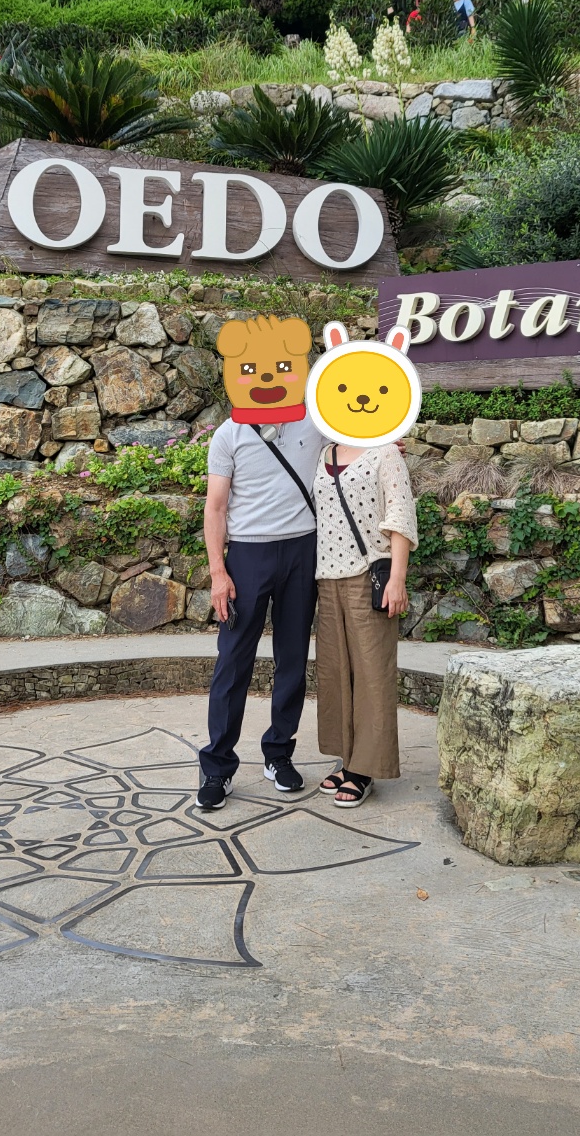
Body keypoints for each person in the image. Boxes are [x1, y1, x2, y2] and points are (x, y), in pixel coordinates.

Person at [196, 315, 324, 811]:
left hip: (302, 550)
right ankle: (217, 766)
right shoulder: (228, 435)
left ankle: (278, 754)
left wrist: (385, 439)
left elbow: (357, 436)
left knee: (293, 658)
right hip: (247, 554)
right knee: (233, 661)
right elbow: (215, 508)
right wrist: (218, 573)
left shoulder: (314, 421)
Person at [313, 441, 418, 807]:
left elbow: (400, 515)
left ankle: (365, 770)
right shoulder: (324, 452)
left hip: (368, 574)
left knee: (372, 673)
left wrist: (398, 578)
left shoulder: (386, 453)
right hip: (327, 578)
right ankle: (347, 760)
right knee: (335, 673)